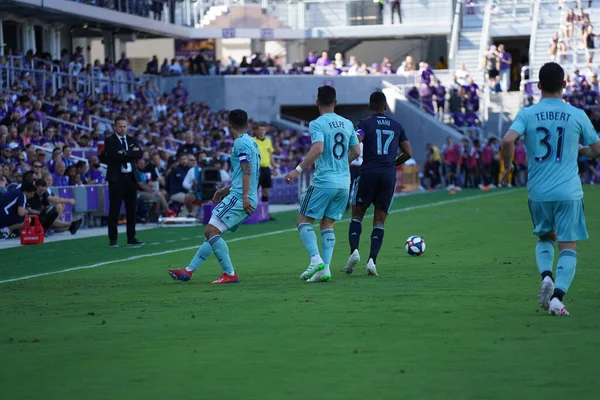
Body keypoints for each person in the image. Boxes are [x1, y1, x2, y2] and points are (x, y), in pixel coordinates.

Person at [500, 62, 600, 316]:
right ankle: (557, 298)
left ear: (539, 86)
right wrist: (583, 151)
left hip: (538, 191)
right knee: (568, 246)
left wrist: (508, 166)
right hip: (568, 192)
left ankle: (547, 275)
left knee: (545, 237)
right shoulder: (577, 114)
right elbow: (597, 149)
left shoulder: (527, 113)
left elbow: (508, 140)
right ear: (564, 85)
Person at [168, 109, 260, 284]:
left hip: (240, 197)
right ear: (247, 125)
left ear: (228, 125)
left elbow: (247, 170)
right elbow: (249, 172)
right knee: (211, 234)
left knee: (211, 231)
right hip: (242, 194)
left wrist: (244, 196)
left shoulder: (240, 143)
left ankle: (230, 273)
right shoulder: (252, 142)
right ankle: (188, 270)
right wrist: (226, 189)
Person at [284, 86, 361, 283]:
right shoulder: (347, 123)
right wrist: (343, 163)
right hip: (344, 182)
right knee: (327, 225)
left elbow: (318, 148)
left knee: (302, 221)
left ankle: (315, 260)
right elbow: (357, 151)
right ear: (336, 102)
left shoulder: (317, 123)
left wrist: (297, 169)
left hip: (324, 181)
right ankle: (324, 269)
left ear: (317, 102)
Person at [344, 92, 412, 276]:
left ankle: (354, 252)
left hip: (368, 173)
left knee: (357, 215)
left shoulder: (365, 123)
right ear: (385, 107)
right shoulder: (397, 126)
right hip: (388, 175)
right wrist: (392, 163)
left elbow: (356, 140)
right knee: (379, 221)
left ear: (369, 106)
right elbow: (408, 152)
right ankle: (372, 261)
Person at [104, 116, 144, 248]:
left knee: (132, 209)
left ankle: (131, 237)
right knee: (114, 209)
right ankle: (113, 239)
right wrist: (130, 153)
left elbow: (140, 153)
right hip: (116, 178)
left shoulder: (131, 139)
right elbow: (114, 155)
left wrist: (124, 153)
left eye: (125, 126)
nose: (123, 128)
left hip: (130, 178)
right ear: (115, 127)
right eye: (120, 126)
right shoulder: (110, 140)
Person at [253, 123, 278, 205]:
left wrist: (275, 167)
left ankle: (265, 213)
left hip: (266, 169)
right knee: (254, 192)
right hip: (256, 169)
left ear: (265, 130)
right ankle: (254, 213)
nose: (261, 131)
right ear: (256, 131)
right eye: (260, 130)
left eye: (263, 130)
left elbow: (270, 156)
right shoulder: (252, 141)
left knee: (266, 191)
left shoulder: (268, 140)